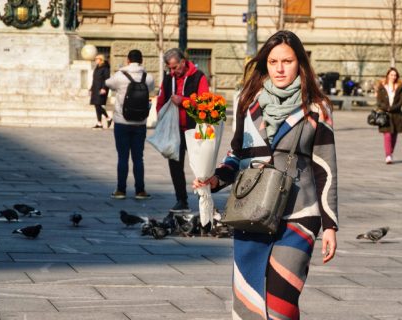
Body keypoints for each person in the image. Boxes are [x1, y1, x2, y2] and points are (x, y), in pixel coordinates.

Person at [193, 30, 338, 319]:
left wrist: (330, 224)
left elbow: (326, 168)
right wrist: (214, 179)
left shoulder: (316, 107)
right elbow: (237, 154)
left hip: (299, 215)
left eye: (287, 61)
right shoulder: (248, 102)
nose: (280, 68)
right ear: (265, 64)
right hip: (251, 211)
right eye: (273, 62)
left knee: (282, 302)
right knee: (248, 303)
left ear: (300, 63)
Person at [156, 48, 209, 213]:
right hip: (174, 130)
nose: (172, 71)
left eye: (174, 67)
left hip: (196, 129)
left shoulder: (199, 76)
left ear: (183, 62)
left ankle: (204, 199)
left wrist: (184, 101)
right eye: (169, 68)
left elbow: (204, 102)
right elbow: (161, 100)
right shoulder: (168, 78)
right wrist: (161, 118)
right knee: (175, 166)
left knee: (200, 167)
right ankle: (181, 200)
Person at [105, 50, 155, 199]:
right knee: (138, 158)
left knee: (122, 157)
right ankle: (140, 191)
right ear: (142, 61)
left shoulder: (120, 76)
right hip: (140, 123)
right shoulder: (148, 77)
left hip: (122, 121)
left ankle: (121, 190)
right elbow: (151, 89)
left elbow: (108, 83)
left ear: (128, 60)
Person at [377, 67, 402, 164]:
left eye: (395, 75)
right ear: (388, 75)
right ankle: (388, 155)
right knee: (387, 135)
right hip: (385, 115)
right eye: (391, 75)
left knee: (394, 136)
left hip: (396, 114)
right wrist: (386, 108)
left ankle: (390, 152)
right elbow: (379, 101)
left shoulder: (400, 87)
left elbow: (401, 101)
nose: (393, 77)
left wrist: (392, 108)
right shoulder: (382, 86)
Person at [89, 54, 112, 129]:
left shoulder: (105, 68)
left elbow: (107, 79)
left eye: (97, 59)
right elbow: (94, 79)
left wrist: (104, 88)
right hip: (95, 88)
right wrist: (91, 89)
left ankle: (107, 118)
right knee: (96, 105)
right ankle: (100, 123)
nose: (95, 60)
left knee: (98, 105)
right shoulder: (97, 67)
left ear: (101, 59)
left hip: (101, 89)